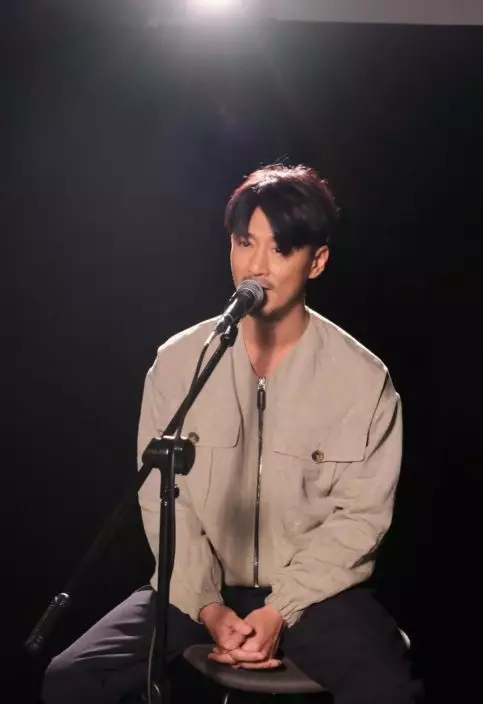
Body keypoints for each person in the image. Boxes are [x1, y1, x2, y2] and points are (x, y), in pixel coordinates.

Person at [42, 163, 418, 704]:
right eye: (245, 243)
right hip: (199, 587)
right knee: (72, 677)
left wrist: (279, 608)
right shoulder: (178, 364)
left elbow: (362, 518)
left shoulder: (363, 379)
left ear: (317, 261)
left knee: (389, 690)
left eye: (280, 249)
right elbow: (164, 500)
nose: (256, 266)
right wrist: (209, 607)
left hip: (314, 595)